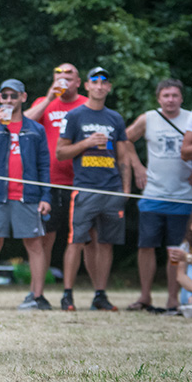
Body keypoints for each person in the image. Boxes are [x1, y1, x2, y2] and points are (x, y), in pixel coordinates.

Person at [0, 79, 52, 310]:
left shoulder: (36, 129)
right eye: (4, 96)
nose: (8, 100)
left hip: (28, 196)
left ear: (23, 98)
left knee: (35, 245)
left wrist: (46, 197)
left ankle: (37, 296)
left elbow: (44, 166)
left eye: (13, 96)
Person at [57, 66, 131, 312]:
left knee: (106, 243)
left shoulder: (115, 118)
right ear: (87, 86)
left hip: (112, 189)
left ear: (108, 87)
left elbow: (123, 157)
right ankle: (67, 295)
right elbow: (60, 152)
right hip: (84, 188)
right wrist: (87, 142)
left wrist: (125, 190)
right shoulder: (75, 116)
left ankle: (100, 294)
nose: (99, 86)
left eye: (104, 82)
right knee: (76, 241)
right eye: (95, 81)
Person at [125, 79, 192, 313]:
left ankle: (173, 300)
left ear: (181, 98)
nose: (170, 100)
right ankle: (145, 297)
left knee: (175, 249)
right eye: (166, 96)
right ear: (158, 98)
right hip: (153, 193)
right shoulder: (149, 118)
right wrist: (137, 166)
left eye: (175, 95)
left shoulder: (190, 118)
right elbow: (124, 139)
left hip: (183, 195)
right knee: (146, 246)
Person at [24, 63, 96, 279]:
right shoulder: (44, 103)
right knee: (45, 238)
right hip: (50, 183)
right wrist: (48, 99)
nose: (63, 78)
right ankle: (39, 293)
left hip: (82, 181)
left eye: (69, 74)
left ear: (78, 82)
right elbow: (22, 123)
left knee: (87, 238)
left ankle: (97, 292)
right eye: (59, 74)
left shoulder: (87, 103)